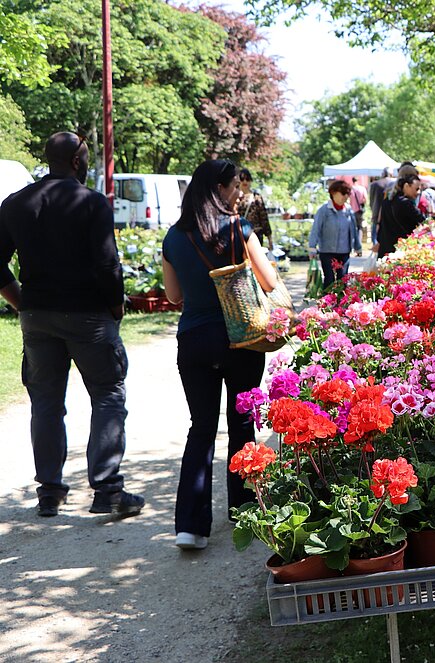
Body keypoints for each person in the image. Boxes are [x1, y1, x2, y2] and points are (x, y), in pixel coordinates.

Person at [0, 131, 144, 518]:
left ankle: (49, 492)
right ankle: (108, 490)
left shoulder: (16, 202)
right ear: (78, 162)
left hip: (37, 317)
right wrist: (116, 305)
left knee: (45, 403)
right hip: (89, 316)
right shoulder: (92, 202)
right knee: (108, 395)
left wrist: (20, 301)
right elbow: (106, 263)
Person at [161, 159, 279, 550]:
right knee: (242, 424)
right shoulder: (239, 230)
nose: (238, 193)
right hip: (239, 338)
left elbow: (173, 296)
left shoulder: (174, 237)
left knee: (201, 427)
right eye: (233, 187)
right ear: (220, 189)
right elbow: (270, 280)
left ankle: (190, 527)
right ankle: (244, 510)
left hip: (194, 341)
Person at [309, 179, 362, 286]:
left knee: (343, 280)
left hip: (344, 252)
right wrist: (312, 248)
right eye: (343, 193)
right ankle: (327, 302)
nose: (346, 197)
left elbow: (353, 230)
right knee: (329, 280)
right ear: (333, 193)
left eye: (348, 194)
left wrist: (357, 246)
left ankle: (340, 302)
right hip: (327, 251)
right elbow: (316, 229)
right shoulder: (324, 210)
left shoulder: (348, 210)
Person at [377, 173, 426, 258]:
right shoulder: (406, 203)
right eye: (416, 189)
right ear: (407, 186)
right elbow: (422, 219)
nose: (418, 193)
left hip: (385, 248)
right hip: (400, 250)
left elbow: (381, 224)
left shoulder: (387, 201)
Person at [236, 168, 273, 251]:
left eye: (247, 179)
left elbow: (264, 218)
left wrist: (270, 239)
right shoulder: (234, 198)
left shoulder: (257, 198)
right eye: (242, 179)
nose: (245, 181)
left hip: (255, 234)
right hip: (238, 235)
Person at [349, 177, 368, 243]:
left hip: (351, 210)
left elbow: (348, 200)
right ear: (358, 180)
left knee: (352, 227)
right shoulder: (362, 188)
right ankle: (359, 243)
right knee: (359, 227)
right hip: (359, 211)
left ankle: (353, 243)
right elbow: (365, 199)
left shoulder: (350, 189)